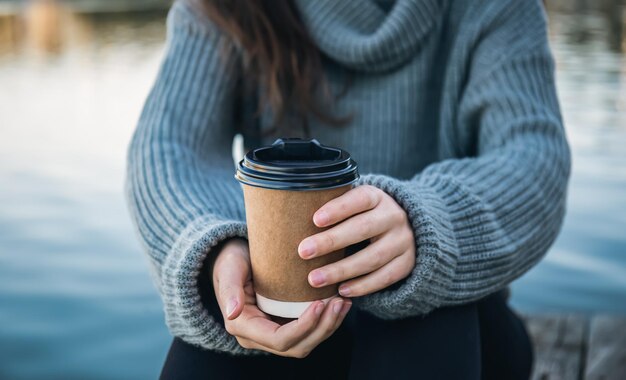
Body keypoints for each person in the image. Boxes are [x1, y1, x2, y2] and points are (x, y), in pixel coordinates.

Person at [125, 0, 571, 378]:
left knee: (428, 322)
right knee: (217, 343)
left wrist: (431, 225)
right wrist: (218, 250)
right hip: (290, 309)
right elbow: (166, 150)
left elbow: (534, 155)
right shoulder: (223, 8)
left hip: (466, 325)